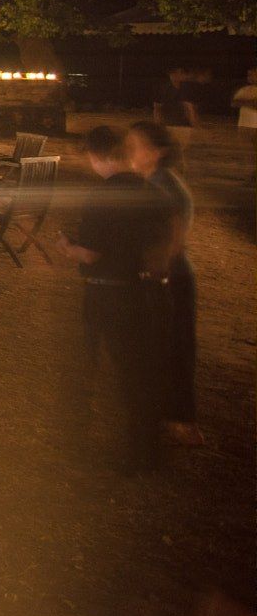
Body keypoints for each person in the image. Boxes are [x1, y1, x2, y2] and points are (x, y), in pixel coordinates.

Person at [54, 125, 173, 473]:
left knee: (84, 368)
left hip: (106, 293)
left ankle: (75, 444)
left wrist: (67, 247)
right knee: (137, 374)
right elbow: (164, 242)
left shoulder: (102, 196)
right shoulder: (153, 192)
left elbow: (90, 254)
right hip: (143, 291)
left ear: (101, 156)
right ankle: (146, 451)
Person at [128, 121, 203, 446]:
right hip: (169, 276)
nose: (130, 153)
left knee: (174, 347)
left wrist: (150, 275)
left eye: (136, 147)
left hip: (171, 278)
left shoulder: (163, 188)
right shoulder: (157, 182)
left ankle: (181, 421)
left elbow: (171, 241)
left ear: (157, 152)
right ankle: (169, 417)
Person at [234, 67, 257, 166]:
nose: (249, 77)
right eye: (248, 75)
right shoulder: (244, 89)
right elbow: (234, 103)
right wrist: (250, 102)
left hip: (255, 125)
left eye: (252, 75)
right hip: (243, 125)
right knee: (247, 152)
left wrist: (243, 101)